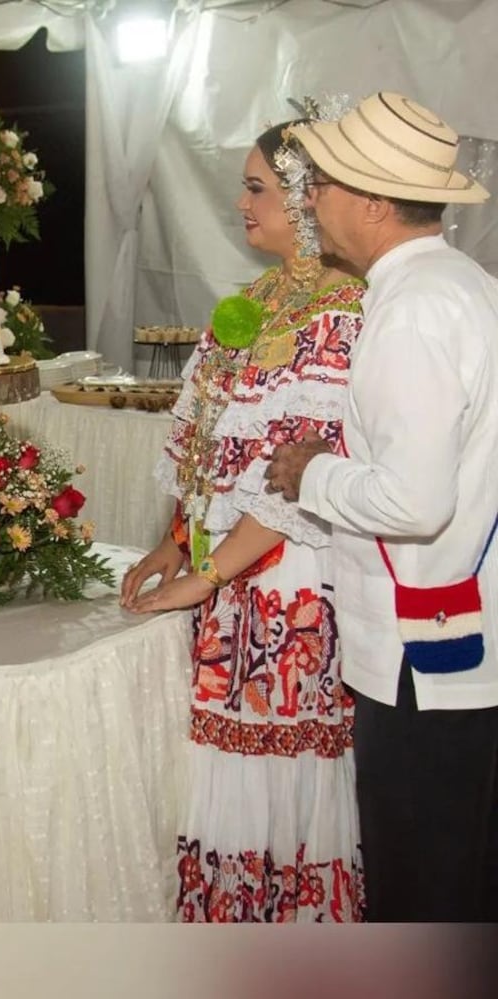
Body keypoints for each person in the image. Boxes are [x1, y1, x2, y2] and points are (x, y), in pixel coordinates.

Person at [120, 119, 366, 921]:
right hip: (224, 577)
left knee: (280, 772)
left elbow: (299, 484)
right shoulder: (245, 308)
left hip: (291, 582)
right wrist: (171, 542)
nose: (241, 202)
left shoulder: (342, 314)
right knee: (224, 773)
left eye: (258, 186)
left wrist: (205, 574)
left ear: (306, 199)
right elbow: (198, 443)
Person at [265, 92, 498, 922]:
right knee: (464, 883)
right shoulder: (459, 281)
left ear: (370, 201)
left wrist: (313, 472)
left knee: (420, 891)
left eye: (319, 185)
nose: (307, 202)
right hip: (454, 645)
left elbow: (416, 498)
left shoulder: (413, 310)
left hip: (424, 659)